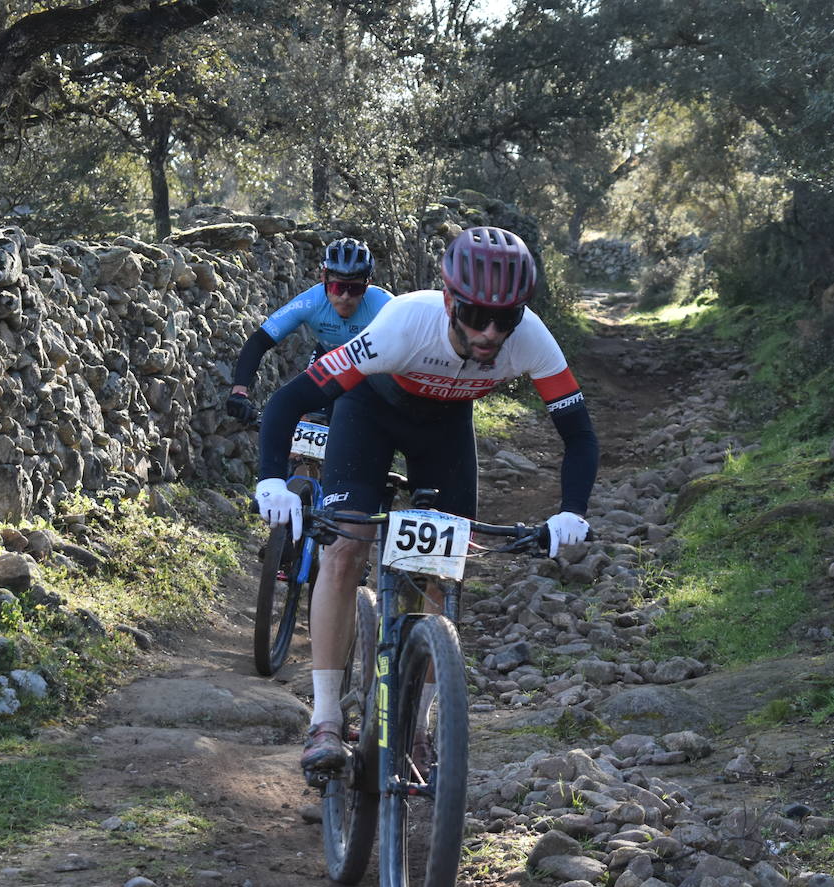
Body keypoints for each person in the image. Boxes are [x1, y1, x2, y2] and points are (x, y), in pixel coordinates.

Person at [253, 226, 600, 772]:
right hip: (370, 413)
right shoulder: (402, 327)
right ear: (448, 301)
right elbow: (291, 398)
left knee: (442, 572)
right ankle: (323, 721)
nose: (490, 333)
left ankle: (417, 730)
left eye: (505, 319)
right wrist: (271, 478)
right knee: (345, 549)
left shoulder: (532, 338)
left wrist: (572, 511)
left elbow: (578, 434)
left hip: (444, 429)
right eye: (475, 315)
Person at [225, 237, 392, 422]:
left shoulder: (386, 305)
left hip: (373, 369)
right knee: (305, 415)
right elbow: (259, 341)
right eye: (338, 287)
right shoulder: (310, 302)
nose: (345, 296)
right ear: (324, 279)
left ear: (367, 285)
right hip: (329, 359)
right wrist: (239, 392)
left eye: (354, 289)